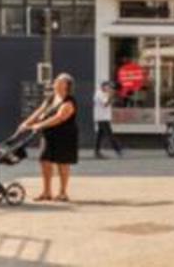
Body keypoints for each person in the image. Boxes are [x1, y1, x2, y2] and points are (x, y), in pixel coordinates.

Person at [18, 73, 79, 202]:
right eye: (56, 81)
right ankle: (46, 192)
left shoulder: (69, 101)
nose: (55, 82)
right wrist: (26, 123)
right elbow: (39, 111)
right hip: (49, 135)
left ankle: (62, 193)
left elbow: (59, 118)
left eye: (58, 81)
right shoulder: (51, 97)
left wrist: (39, 125)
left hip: (65, 136)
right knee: (44, 161)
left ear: (66, 85)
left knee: (62, 163)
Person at [92, 81, 122, 159]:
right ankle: (118, 150)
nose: (109, 88)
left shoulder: (104, 93)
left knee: (100, 135)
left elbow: (109, 102)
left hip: (103, 117)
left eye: (109, 87)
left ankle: (96, 152)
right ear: (103, 86)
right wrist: (111, 95)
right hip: (102, 118)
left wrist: (111, 96)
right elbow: (105, 104)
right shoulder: (99, 94)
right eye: (108, 87)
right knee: (109, 134)